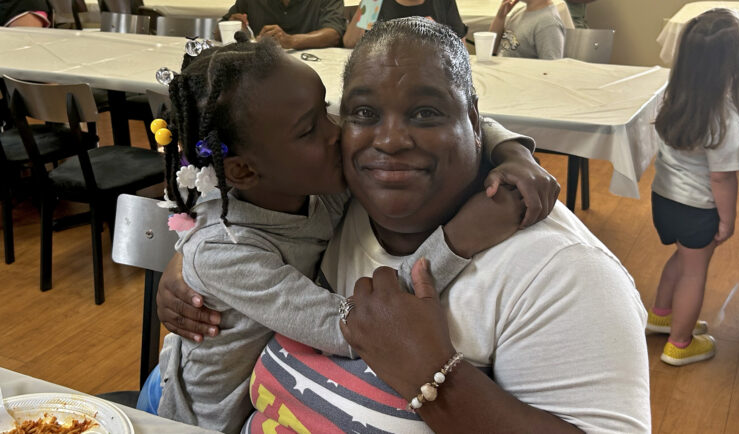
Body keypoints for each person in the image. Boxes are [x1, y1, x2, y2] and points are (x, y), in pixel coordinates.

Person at [159, 17, 650, 433]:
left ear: (472, 119)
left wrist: (514, 151)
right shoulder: (341, 189)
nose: (389, 141)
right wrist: (189, 261)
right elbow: (359, 320)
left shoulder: (562, 274)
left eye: (426, 113)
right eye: (362, 113)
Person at [647, 8, 739, 366]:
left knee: (681, 257)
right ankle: (680, 343)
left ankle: (662, 315)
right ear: (733, 63)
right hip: (697, 209)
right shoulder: (724, 116)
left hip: (664, 199)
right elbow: (721, 178)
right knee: (695, 272)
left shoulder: (672, 96)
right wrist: (728, 221)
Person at [222, 0, 345, 49]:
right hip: (259, 72)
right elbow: (219, 31)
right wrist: (234, 27)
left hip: (316, 71)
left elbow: (334, 34)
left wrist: (291, 41)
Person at [343, 0, 466, 48]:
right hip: (386, 69)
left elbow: (462, 47)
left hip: (432, 68)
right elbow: (350, 42)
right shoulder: (375, 2)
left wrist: (438, 32)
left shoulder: (442, 2)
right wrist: (368, 4)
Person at [490, 0, 565, 59]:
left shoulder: (548, 24)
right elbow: (491, 49)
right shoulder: (520, 11)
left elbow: (550, 69)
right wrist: (500, 17)